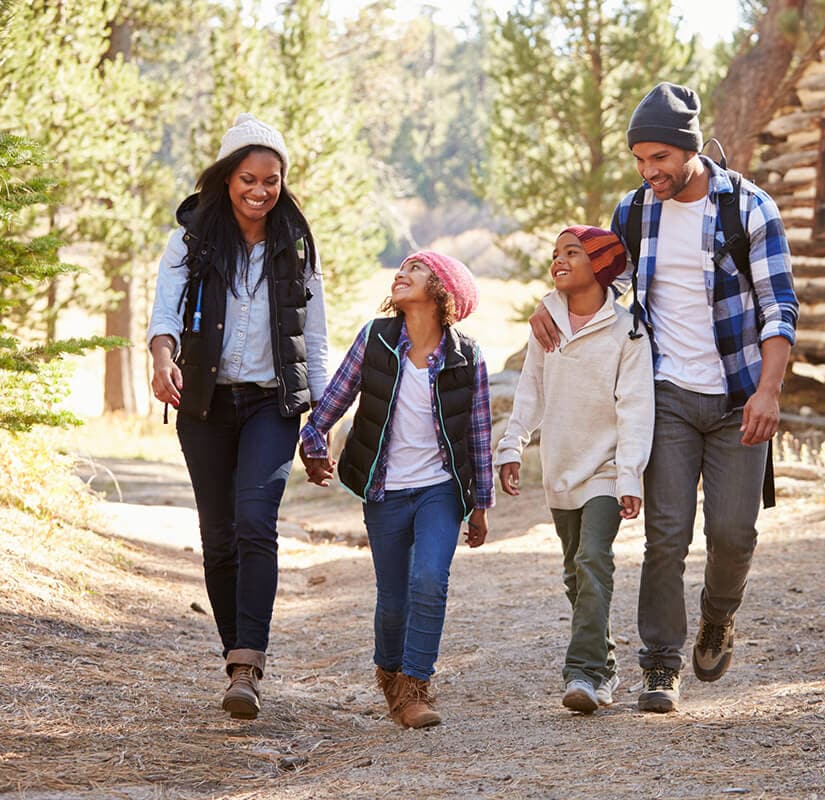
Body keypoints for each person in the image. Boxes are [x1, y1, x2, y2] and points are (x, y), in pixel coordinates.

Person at [530, 83, 799, 713]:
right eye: (639, 161)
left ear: (689, 150)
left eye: (660, 159)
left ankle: (718, 616)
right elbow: (591, 279)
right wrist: (545, 311)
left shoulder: (749, 209)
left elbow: (779, 306)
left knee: (733, 534)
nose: (650, 173)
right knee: (666, 538)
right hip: (667, 395)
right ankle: (660, 665)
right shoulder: (635, 211)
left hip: (738, 396)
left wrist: (768, 390)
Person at [147, 113, 328, 721]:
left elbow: (316, 338)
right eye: (248, 178)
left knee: (256, 522)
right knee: (219, 537)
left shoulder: (297, 241)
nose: (260, 190)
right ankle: (233, 654)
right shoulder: (192, 238)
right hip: (204, 402)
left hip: (271, 404)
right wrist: (161, 358)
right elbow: (164, 314)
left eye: (271, 179)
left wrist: (320, 420)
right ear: (226, 180)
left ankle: (247, 665)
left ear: (282, 181)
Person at [298, 250, 492, 729]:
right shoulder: (374, 339)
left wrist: (480, 506)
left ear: (443, 292)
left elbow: (479, 436)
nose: (402, 273)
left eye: (417, 269)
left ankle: (415, 686)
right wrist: (313, 437)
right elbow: (336, 397)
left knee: (429, 580)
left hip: (439, 489)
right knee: (393, 598)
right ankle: (389, 674)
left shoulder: (469, 357)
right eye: (401, 267)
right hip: (384, 488)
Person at [496, 226, 653, 714]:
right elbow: (530, 392)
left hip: (606, 469)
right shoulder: (545, 327)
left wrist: (629, 475)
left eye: (573, 253)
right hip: (561, 468)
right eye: (556, 253)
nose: (559, 260)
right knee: (574, 573)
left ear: (601, 267)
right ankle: (604, 667)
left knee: (591, 561)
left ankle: (581, 673)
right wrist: (511, 445)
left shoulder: (627, 332)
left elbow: (635, 407)